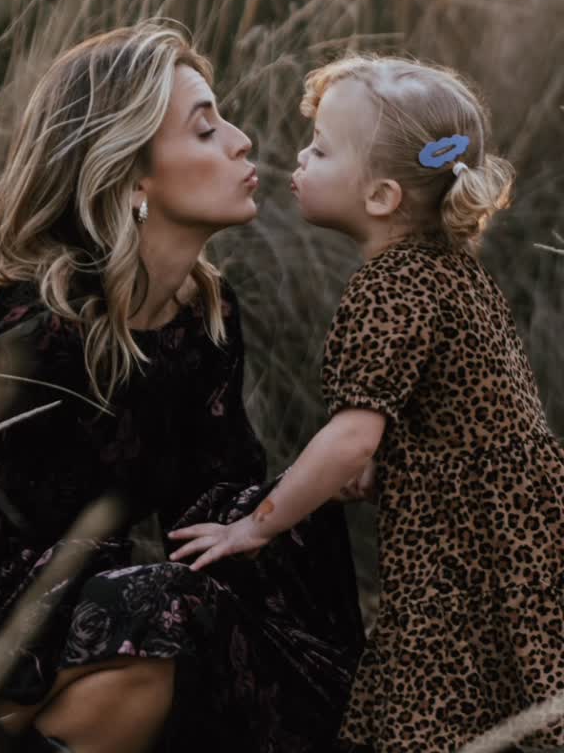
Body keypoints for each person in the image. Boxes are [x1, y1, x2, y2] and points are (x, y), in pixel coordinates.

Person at [0, 22, 365, 753]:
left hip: (101, 627)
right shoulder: (35, 331)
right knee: (161, 605)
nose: (241, 142)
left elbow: (213, 502)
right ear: (131, 178)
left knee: (291, 534)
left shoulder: (204, 318)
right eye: (205, 130)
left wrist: (320, 481)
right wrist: (125, 586)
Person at [170, 53, 564, 753]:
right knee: (516, 677)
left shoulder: (387, 289)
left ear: (381, 196)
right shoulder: (451, 271)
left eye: (321, 150)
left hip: (460, 546)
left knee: (435, 697)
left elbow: (352, 436)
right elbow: (462, 410)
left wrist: (254, 527)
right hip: (520, 523)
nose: (300, 158)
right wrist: (400, 462)